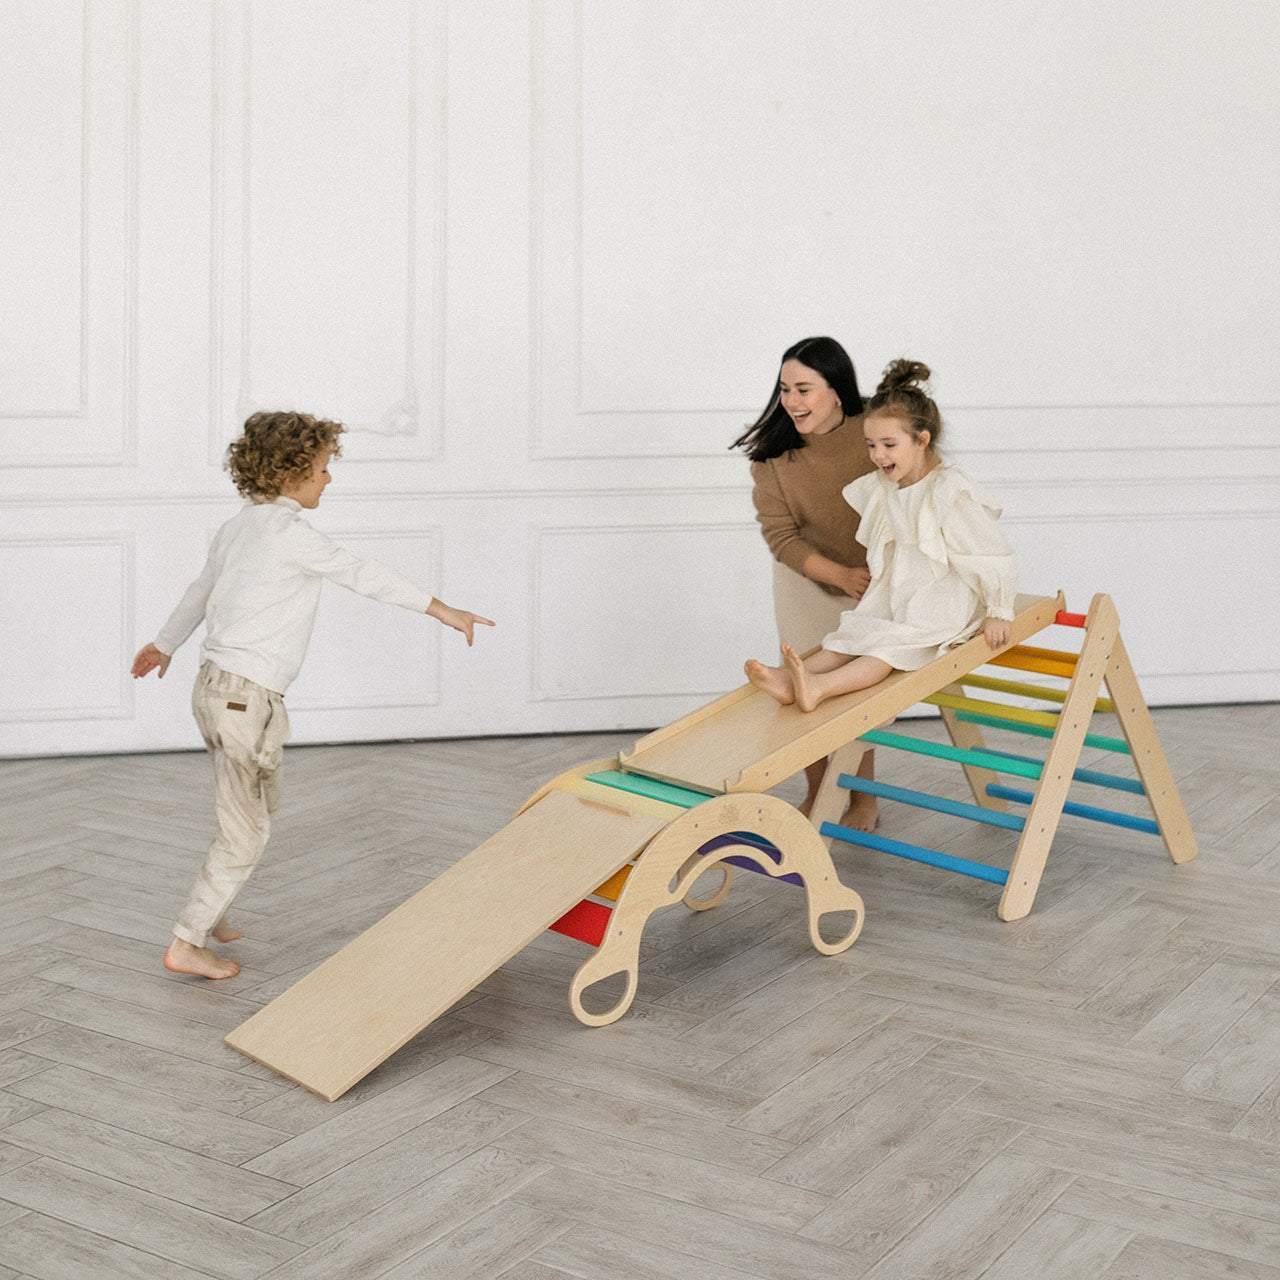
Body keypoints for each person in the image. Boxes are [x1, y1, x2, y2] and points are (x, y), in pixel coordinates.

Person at [130, 410, 493, 980]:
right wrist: (441, 609)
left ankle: (215, 906)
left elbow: (199, 592)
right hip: (244, 700)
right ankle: (187, 940)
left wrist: (163, 644)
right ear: (289, 473)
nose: (329, 479)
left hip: (216, 692)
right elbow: (362, 573)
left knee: (252, 807)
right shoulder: (290, 535)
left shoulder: (238, 527)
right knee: (246, 829)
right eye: (323, 469)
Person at [746, 358, 1016, 712]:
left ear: (922, 440)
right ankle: (791, 678)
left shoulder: (949, 491)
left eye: (889, 445)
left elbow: (989, 553)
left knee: (886, 649)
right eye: (871, 445)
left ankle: (820, 686)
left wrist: (999, 610)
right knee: (855, 631)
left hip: (941, 601)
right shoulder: (884, 488)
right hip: (901, 592)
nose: (877, 455)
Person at [732, 336, 880, 830]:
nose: (792, 401)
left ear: (836, 390)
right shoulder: (773, 456)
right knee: (802, 684)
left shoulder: (874, 431)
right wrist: (838, 574)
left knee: (854, 696)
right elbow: (782, 537)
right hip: (809, 573)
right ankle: (819, 794)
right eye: (784, 389)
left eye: (803, 389)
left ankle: (862, 801)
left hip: (878, 576)